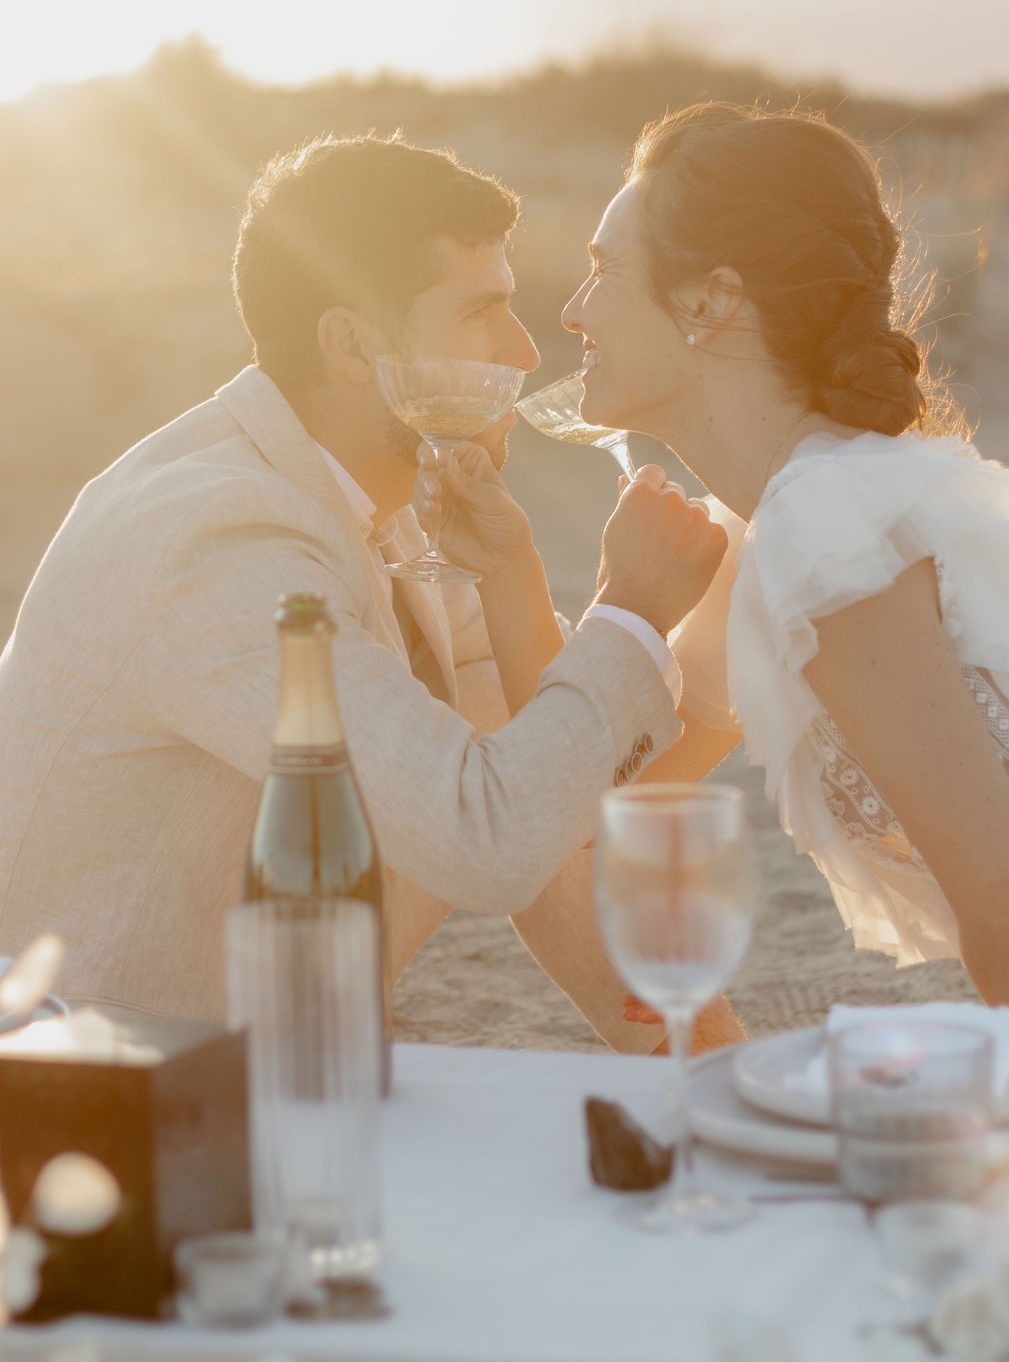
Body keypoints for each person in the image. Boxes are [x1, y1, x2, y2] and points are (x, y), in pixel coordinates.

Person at [0, 131, 739, 1050]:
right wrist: (630, 611)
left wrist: (519, 573)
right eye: (481, 312)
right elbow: (491, 836)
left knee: (498, 718)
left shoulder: (371, 491)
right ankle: (717, 1095)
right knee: (497, 761)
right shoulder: (220, 537)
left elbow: (541, 742)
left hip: (270, 1044)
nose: (521, 349)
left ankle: (705, 1080)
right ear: (351, 345)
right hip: (90, 1087)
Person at [551, 100, 1009, 1008]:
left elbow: (1008, 909)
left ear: (709, 302)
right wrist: (531, 584)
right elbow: (581, 808)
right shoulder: (766, 535)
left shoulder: (828, 523)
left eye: (602, 269)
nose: (573, 310)